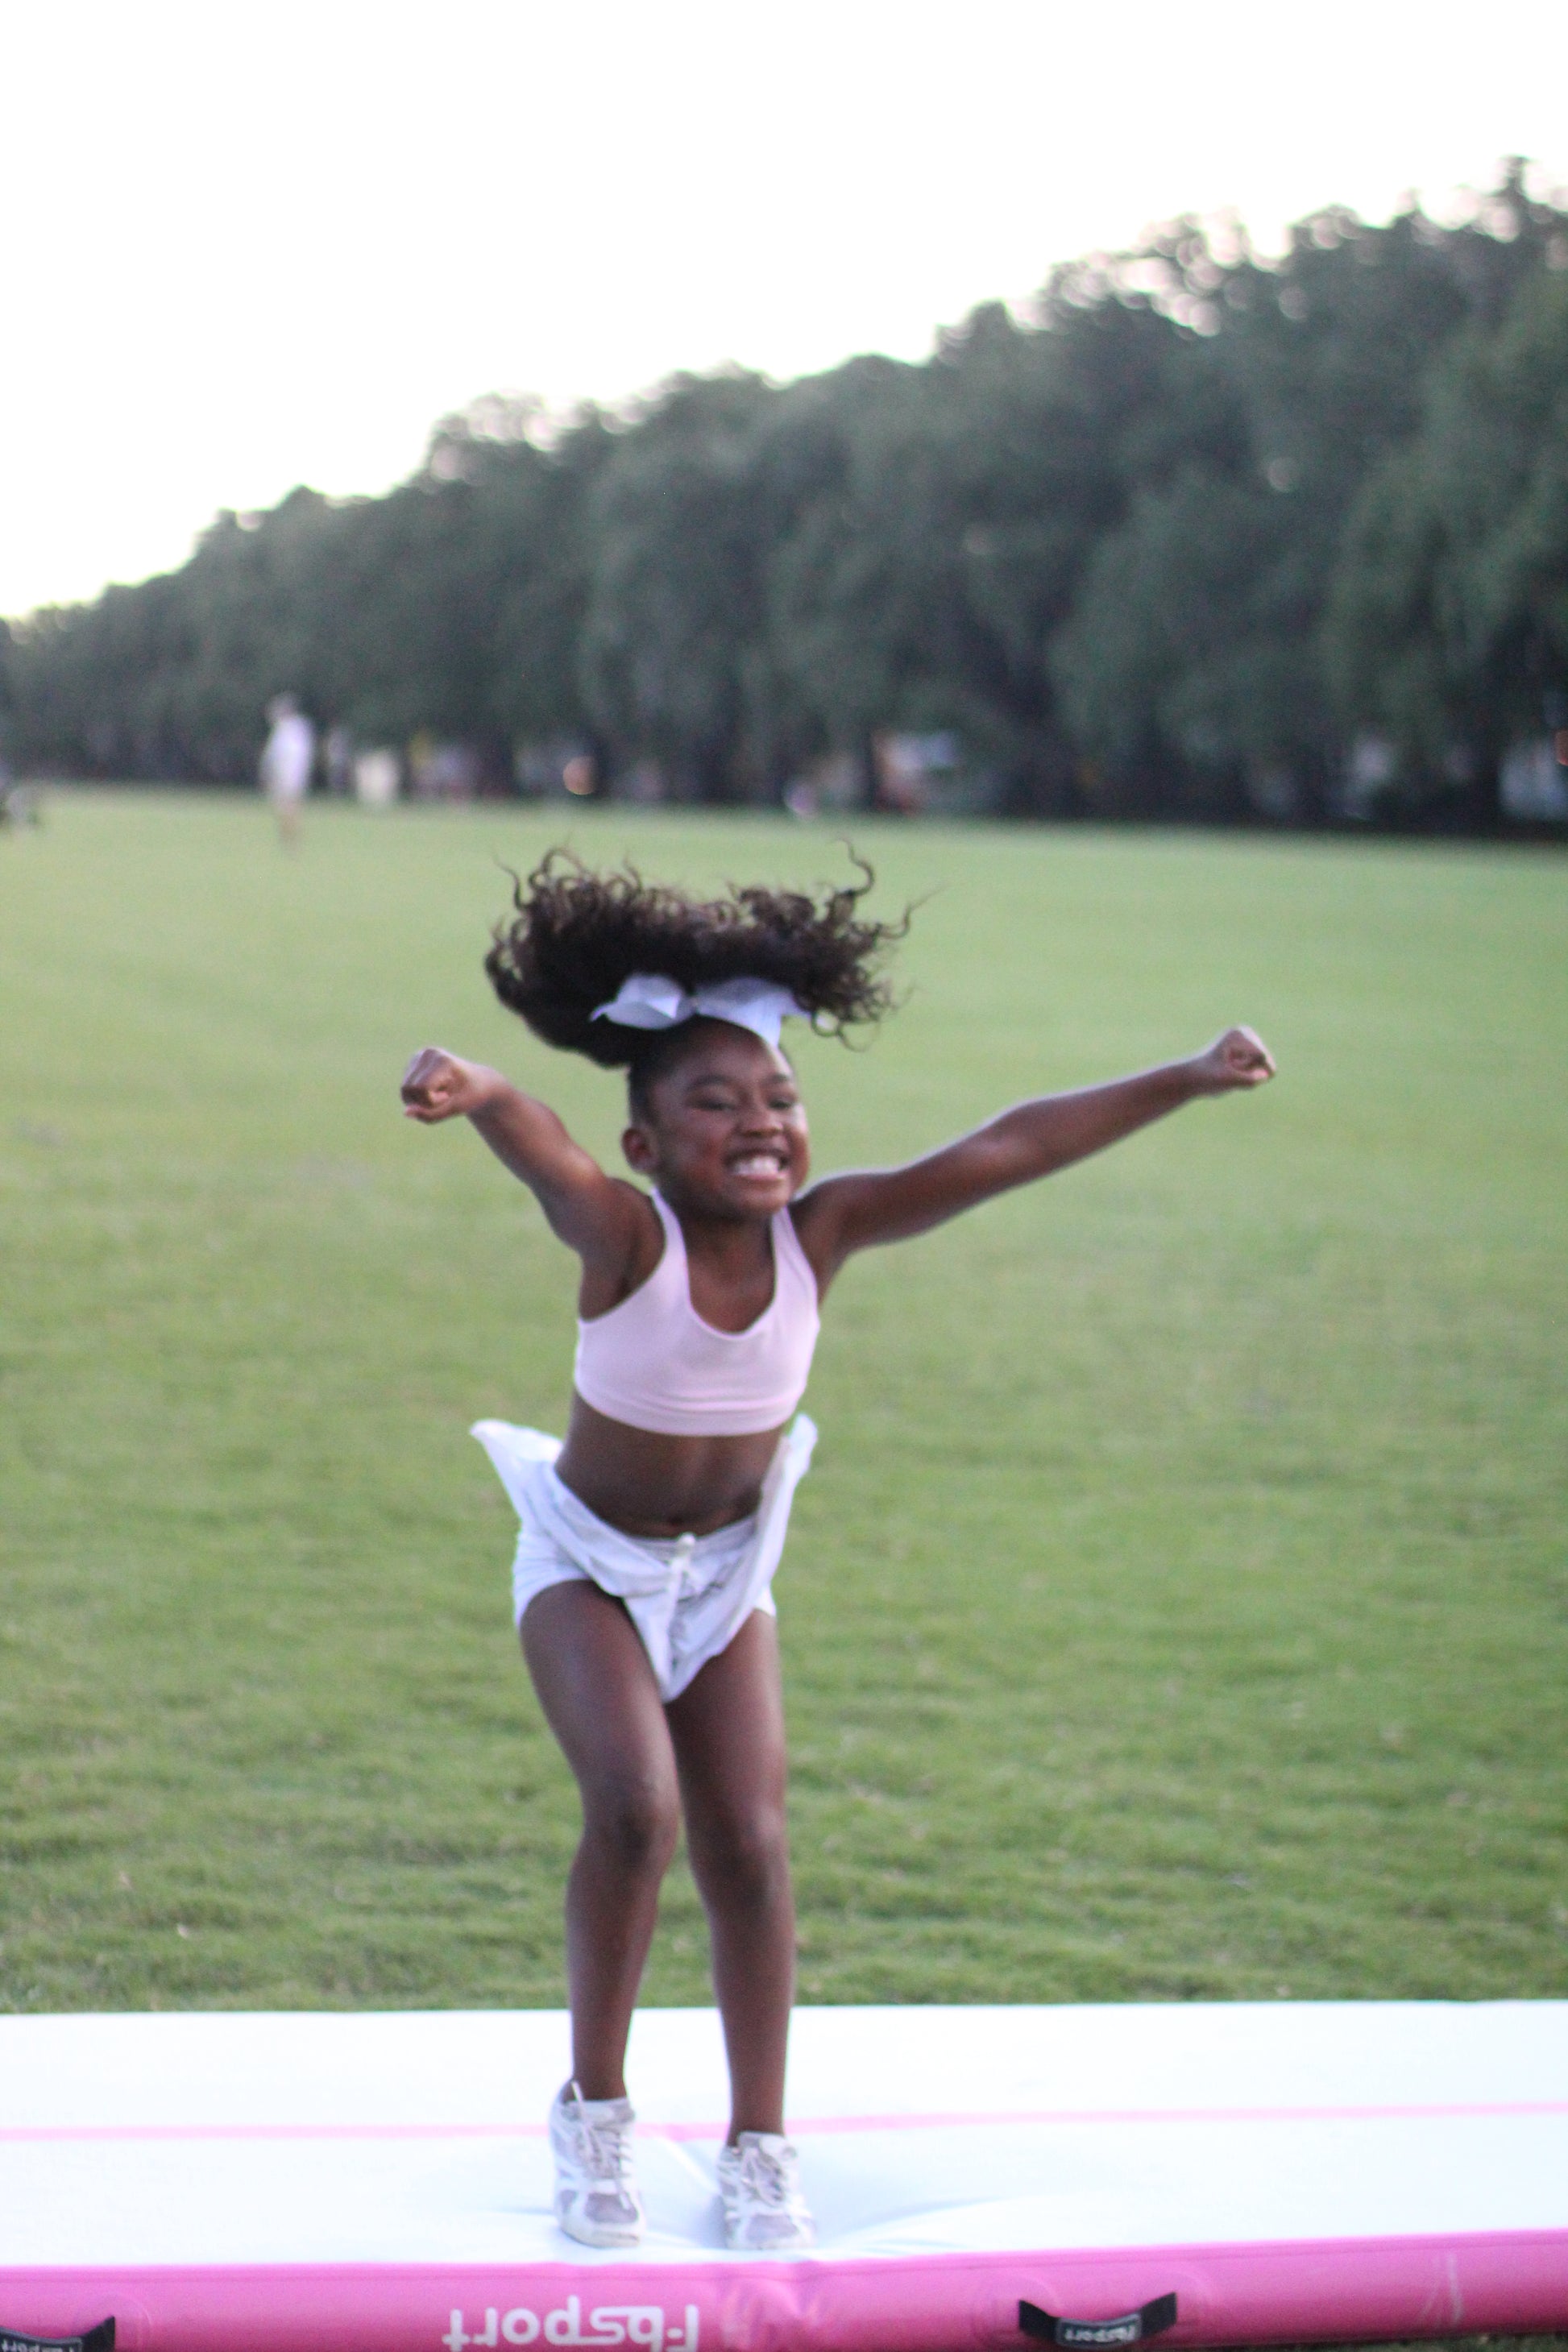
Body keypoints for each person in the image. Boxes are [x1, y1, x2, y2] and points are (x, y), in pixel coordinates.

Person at [399, 852, 1276, 2254]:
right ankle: (597, 2112)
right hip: (587, 1560)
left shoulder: (827, 1231)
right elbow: (548, 1147)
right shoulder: (628, 1236)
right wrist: (483, 1090)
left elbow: (1007, 1147)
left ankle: (758, 2144)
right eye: (715, 1102)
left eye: (781, 1098)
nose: (762, 1122)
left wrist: (1180, 1074)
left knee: (750, 1837)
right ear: (650, 1142)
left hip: (730, 1572)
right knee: (637, 1809)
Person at [259, 693, 315, 847]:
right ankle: (290, 836)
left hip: (286, 774)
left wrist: (270, 773)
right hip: (293, 774)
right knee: (289, 805)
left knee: (286, 805)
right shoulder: (299, 728)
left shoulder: (286, 729)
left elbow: (275, 755)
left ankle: (289, 837)